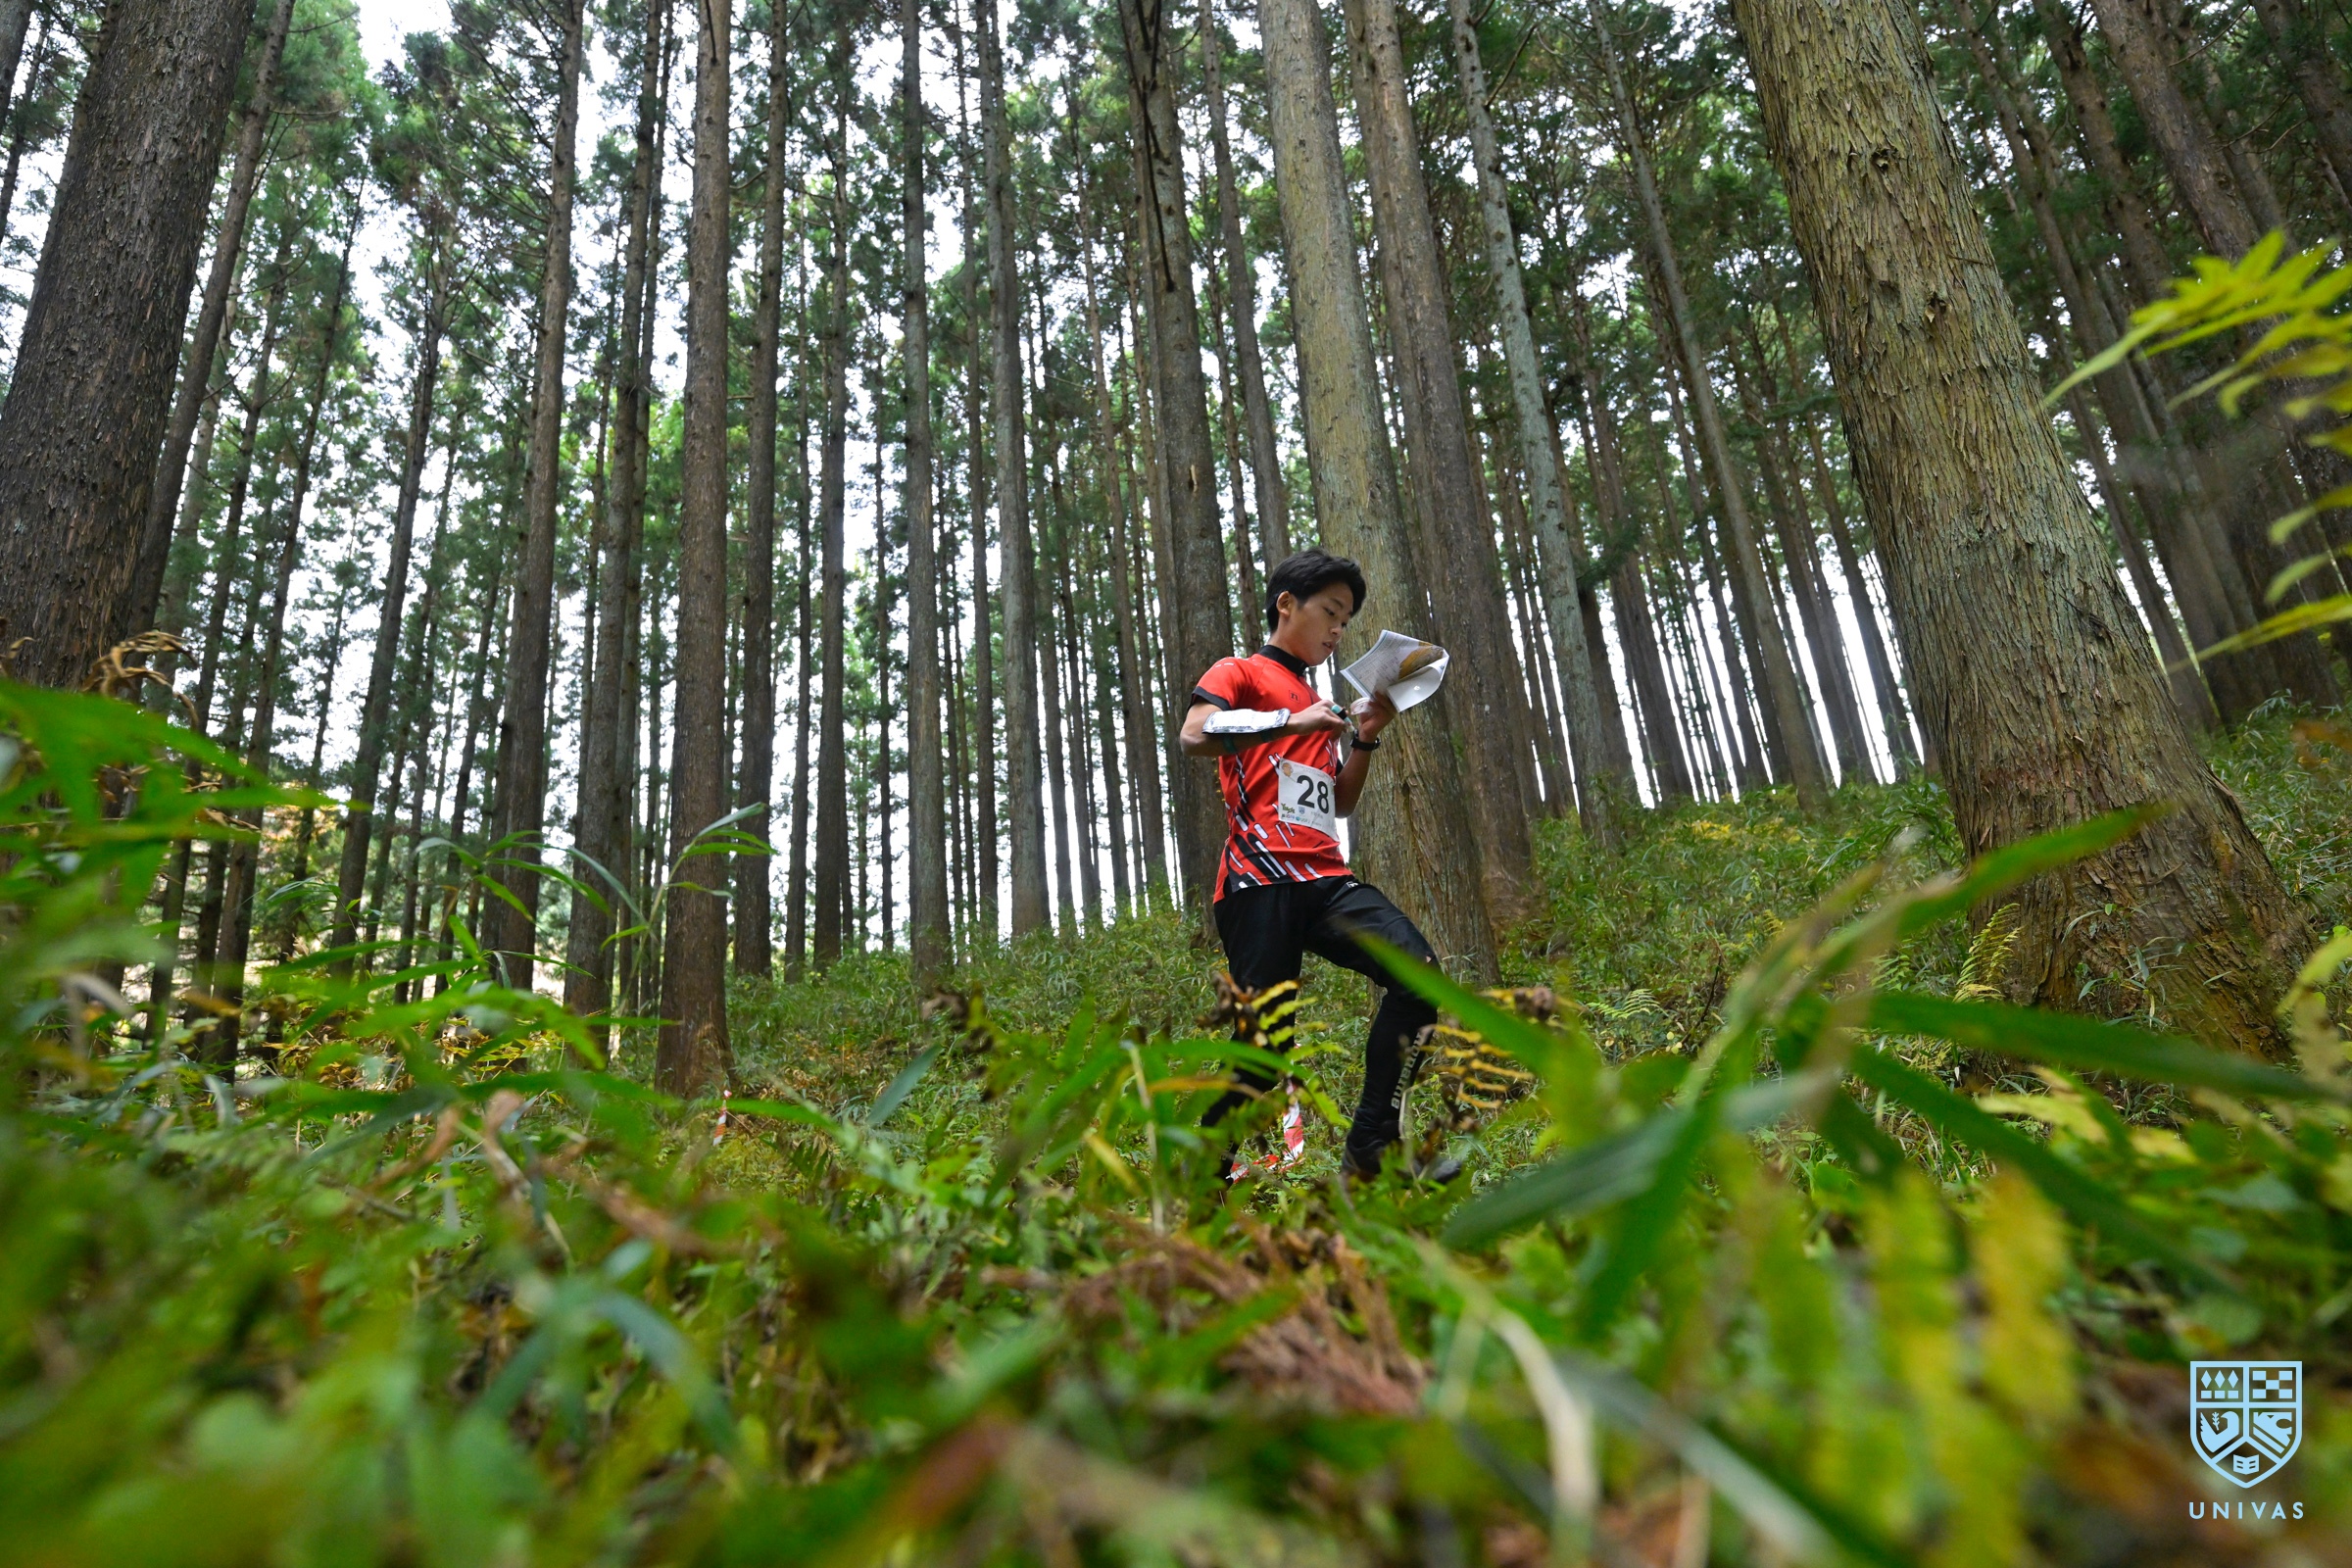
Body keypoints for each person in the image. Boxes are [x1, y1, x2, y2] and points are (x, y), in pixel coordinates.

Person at [1177, 548, 1453, 1182]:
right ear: (1286, 605)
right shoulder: (1240, 672)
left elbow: (1340, 802)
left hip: (1327, 880)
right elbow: (1195, 733)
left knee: (1420, 977)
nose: (1337, 631)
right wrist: (1291, 720)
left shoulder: (1318, 702)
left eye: (1346, 621)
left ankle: (1373, 1146)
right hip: (1257, 880)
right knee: (1264, 1049)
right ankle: (1202, 1177)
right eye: (1330, 613)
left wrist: (1365, 737)